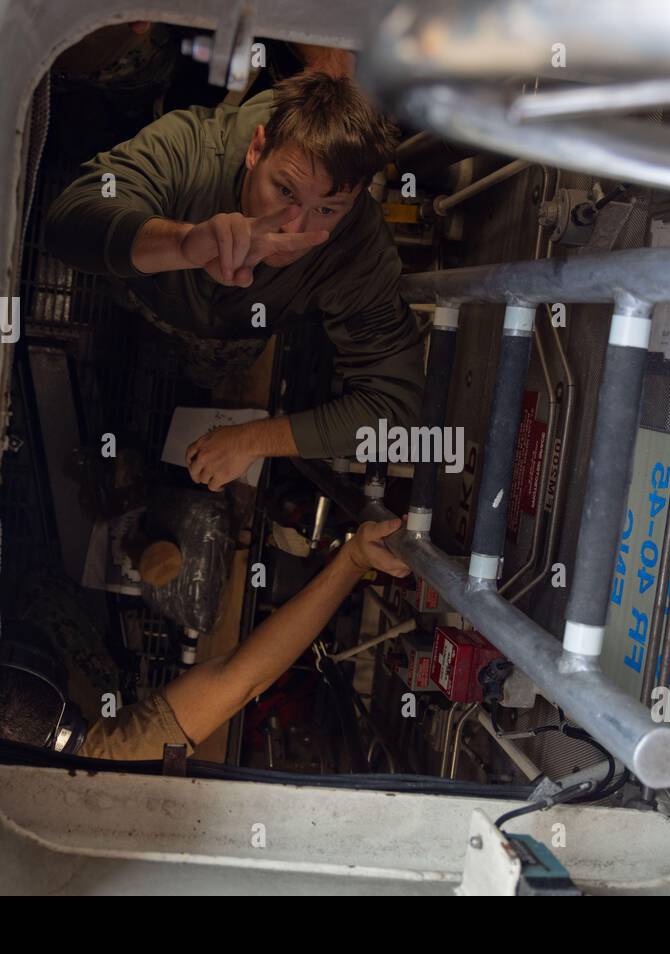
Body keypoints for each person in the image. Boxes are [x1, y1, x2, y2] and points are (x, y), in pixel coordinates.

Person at [45, 72, 425, 491]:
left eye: (326, 210)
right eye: (285, 191)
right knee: (121, 307)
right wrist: (184, 243)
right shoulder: (194, 146)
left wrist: (254, 439)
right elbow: (68, 221)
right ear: (257, 148)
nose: (292, 227)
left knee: (207, 370)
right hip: (141, 289)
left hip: (231, 338)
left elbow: (396, 407)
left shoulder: (360, 248)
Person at [78, 517, 410, 759]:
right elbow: (237, 680)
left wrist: (354, 560)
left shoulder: (84, 751)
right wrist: (352, 561)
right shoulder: (97, 751)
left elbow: (237, 681)